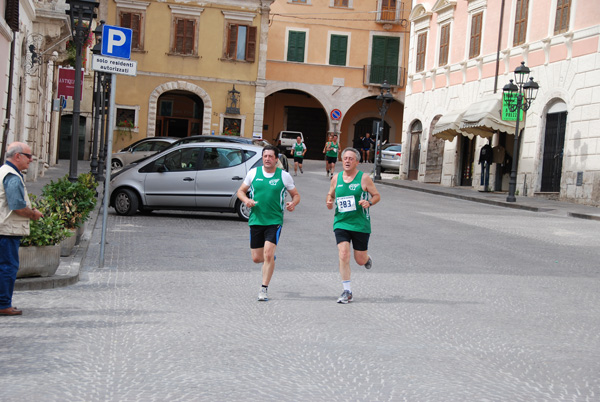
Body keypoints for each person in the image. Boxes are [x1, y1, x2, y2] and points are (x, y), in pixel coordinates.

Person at [236, 145, 300, 302]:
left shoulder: (284, 176)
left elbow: (296, 195)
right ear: (262, 158)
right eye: (265, 156)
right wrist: (246, 200)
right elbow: (240, 191)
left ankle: (263, 289)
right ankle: (270, 259)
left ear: (276, 159)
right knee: (257, 258)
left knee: (268, 254)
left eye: (271, 156)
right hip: (256, 220)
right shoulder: (253, 173)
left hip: (274, 221)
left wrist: (293, 203)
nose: (267, 159)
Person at [325, 147, 380, 304]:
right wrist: (329, 201)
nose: (347, 161)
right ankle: (347, 291)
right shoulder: (336, 178)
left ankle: (366, 259)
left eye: (351, 158)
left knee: (360, 259)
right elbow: (330, 194)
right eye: (345, 158)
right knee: (343, 254)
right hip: (341, 222)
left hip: (360, 224)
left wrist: (368, 202)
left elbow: (376, 196)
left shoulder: (364, 178)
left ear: (357, 162)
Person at [1, 142, 44, 316]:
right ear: (17, 156)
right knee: (8, 267)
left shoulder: (4, 171)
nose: (31, 160)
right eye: (28, 156)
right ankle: (3, 304)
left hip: (4, 228)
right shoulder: (12, 176)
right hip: (7, 230)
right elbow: (17, 206)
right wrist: (33, 214)